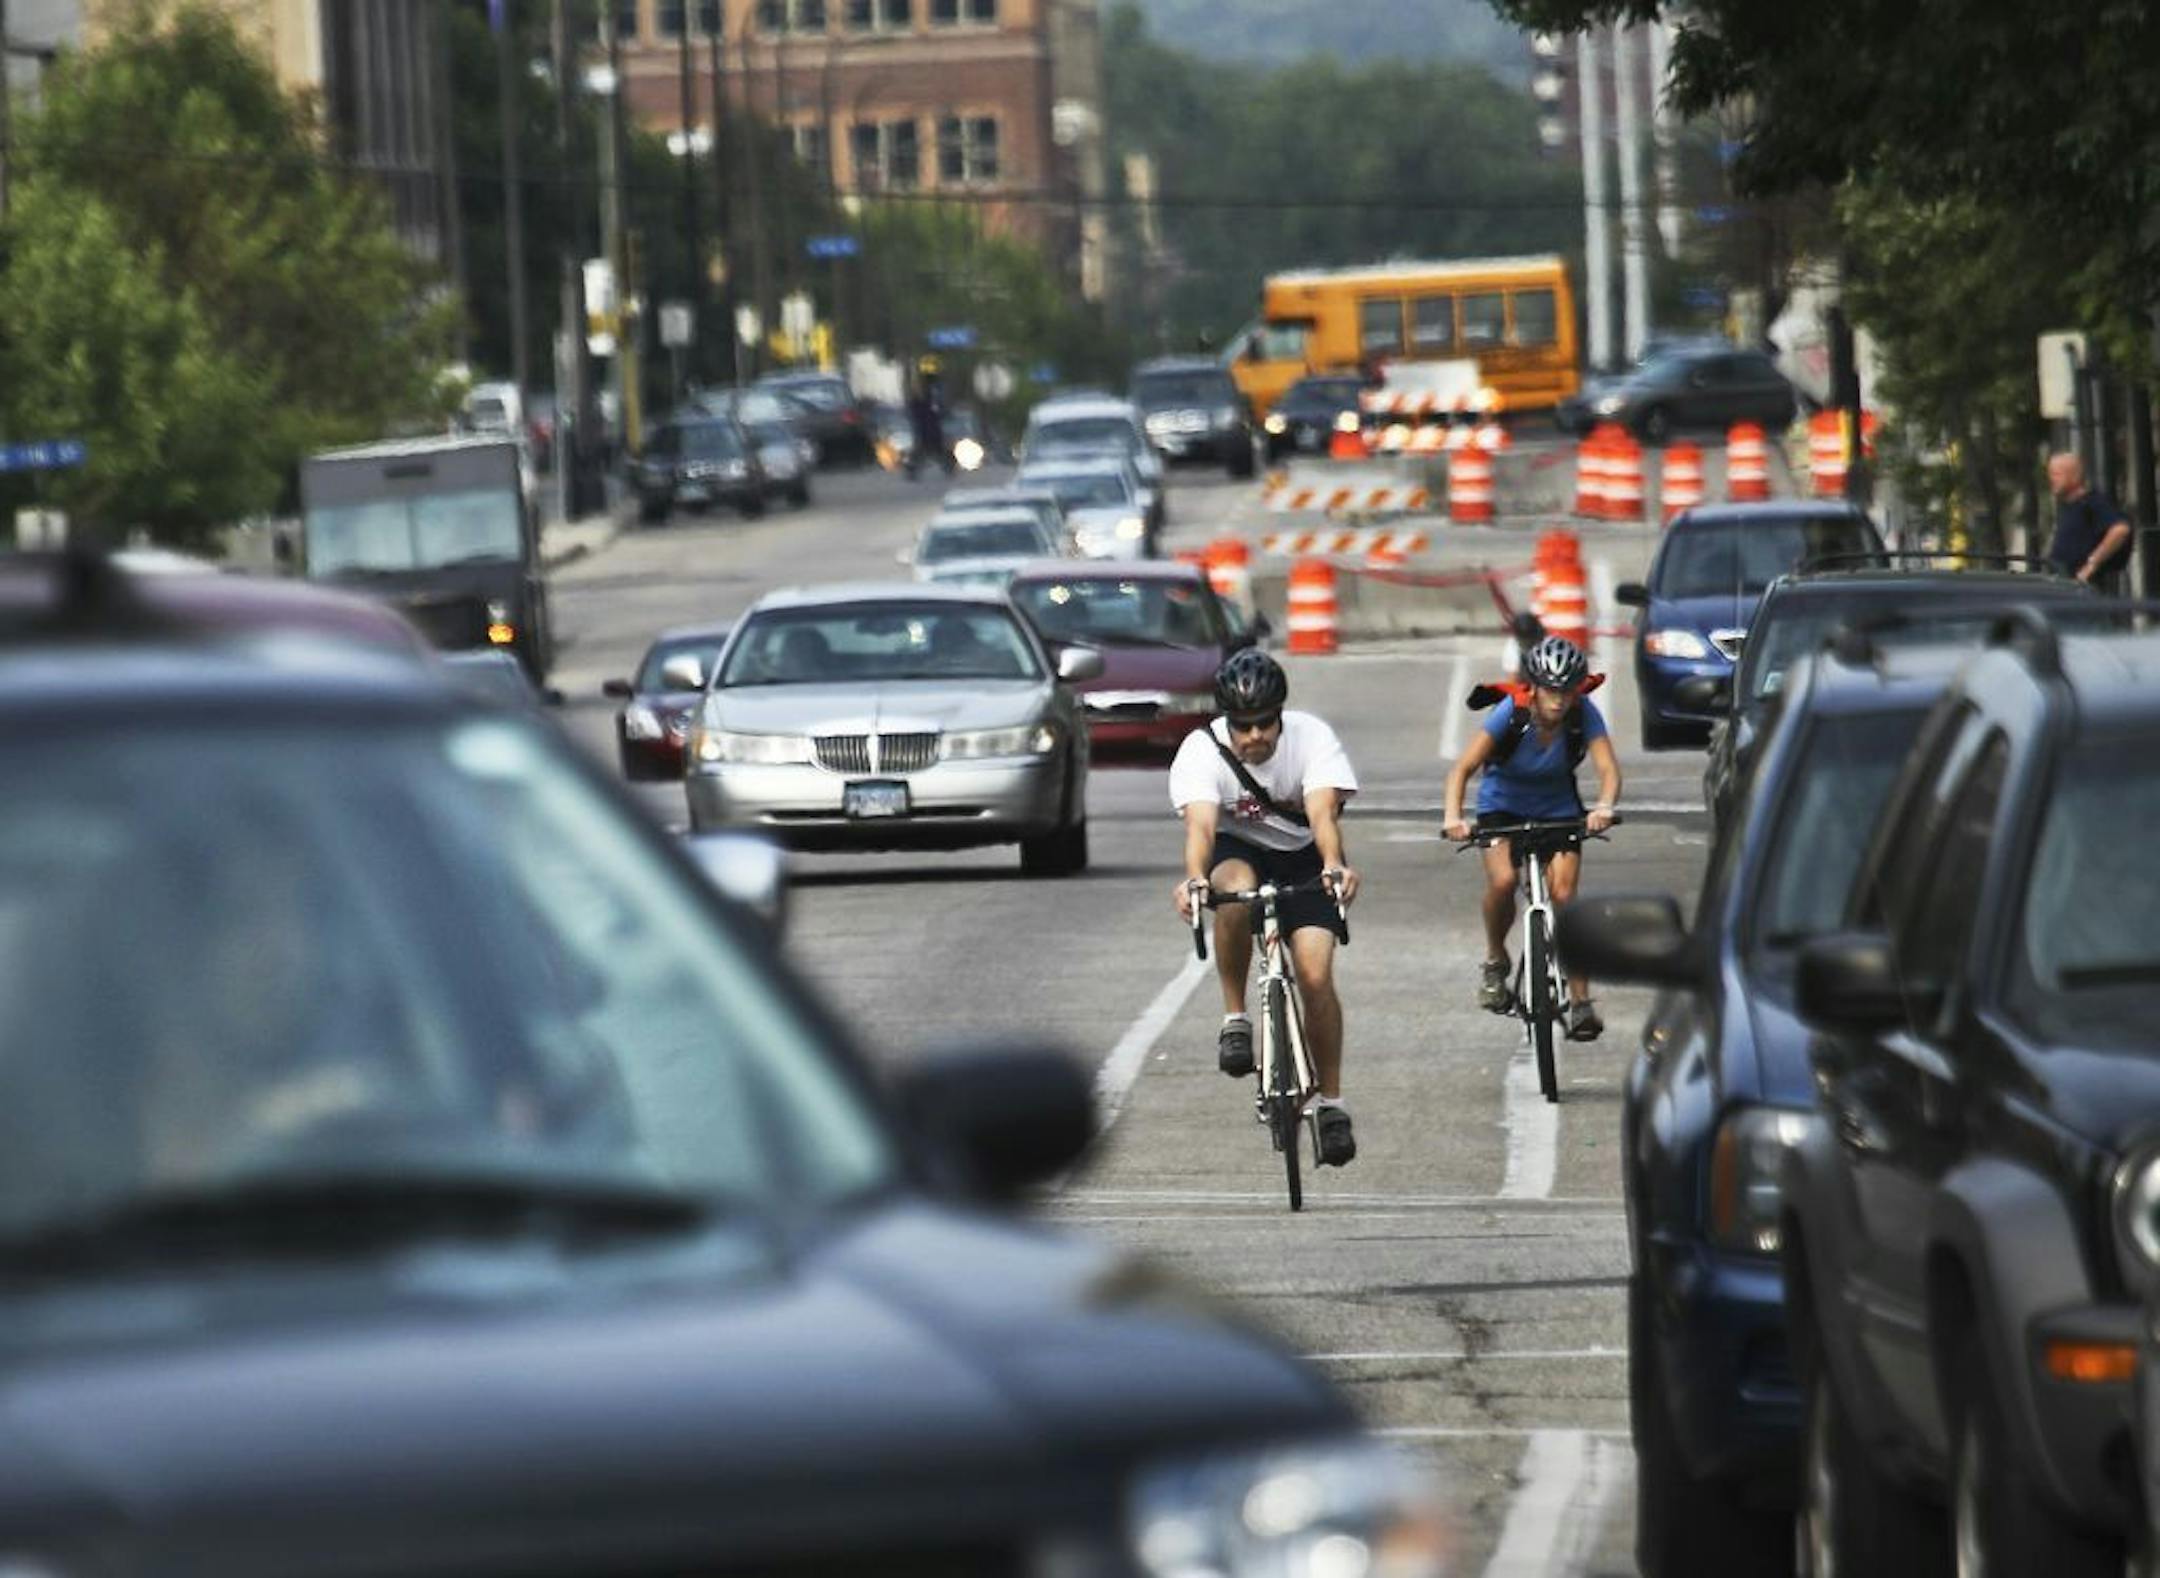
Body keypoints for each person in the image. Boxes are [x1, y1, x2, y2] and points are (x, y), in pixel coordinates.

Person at [1169, 649, 1362, 1167]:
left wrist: (1334, 866)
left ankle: (1332, 1105)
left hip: (1303, 857)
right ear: (1226, 721)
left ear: (1281, 715)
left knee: (1316, 976)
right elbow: (1202, 828)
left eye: (1264, 725)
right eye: (1243, 727)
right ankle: (1236, 1018)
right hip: (1239, 850)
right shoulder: (1201, 750)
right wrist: (1193, 880)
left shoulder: (1312, 738)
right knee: (1232, 888)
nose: (1254, 737)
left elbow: (1323, 815)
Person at [1442, 635, 1622, 1041]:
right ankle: (1494, 959)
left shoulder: (1583, 713)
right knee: (1503, 881)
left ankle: (1580, 1002)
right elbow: (1463, 768)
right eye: (1551, 691)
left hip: (1558, 807)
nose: (1558, 701)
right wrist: (1455, 817)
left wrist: (1603, 807)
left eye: (1567, 692)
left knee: (1564, 897)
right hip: (1501, 805)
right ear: (1534, 688)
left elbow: (1608, 768)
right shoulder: (1511, 712)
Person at [2046, 452, 2134, 591]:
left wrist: (2091, 565)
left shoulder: (2092, 503)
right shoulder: (2070, 507)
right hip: (2064, 587)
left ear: (2075, 476)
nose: (2051, 479)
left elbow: (2120, 530)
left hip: (2084, 591)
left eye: (2056, 474)